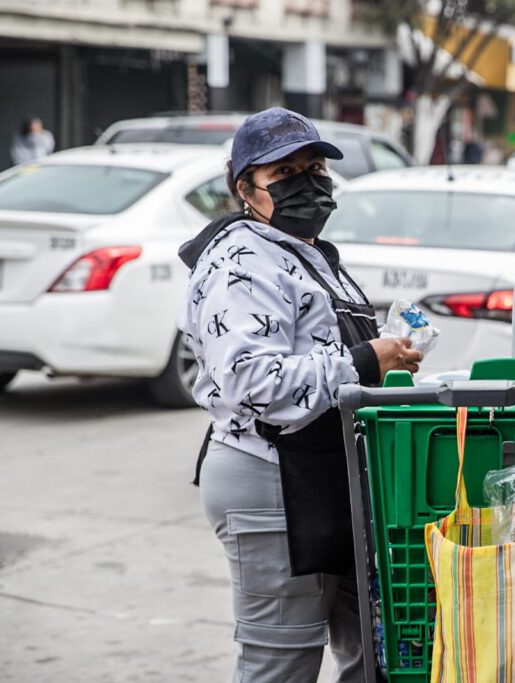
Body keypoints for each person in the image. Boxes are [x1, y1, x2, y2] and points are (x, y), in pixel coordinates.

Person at [176, 107, 422, 682]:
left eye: (315, 168)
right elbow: (252, 382)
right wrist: (368, 359)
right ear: (245, 188)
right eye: (285, 173)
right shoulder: (241, 260)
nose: (307, 183)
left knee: (372, 650)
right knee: (281, 664)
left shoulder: (302, 251)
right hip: (270, 481)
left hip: (327, 477)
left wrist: (390, 354)